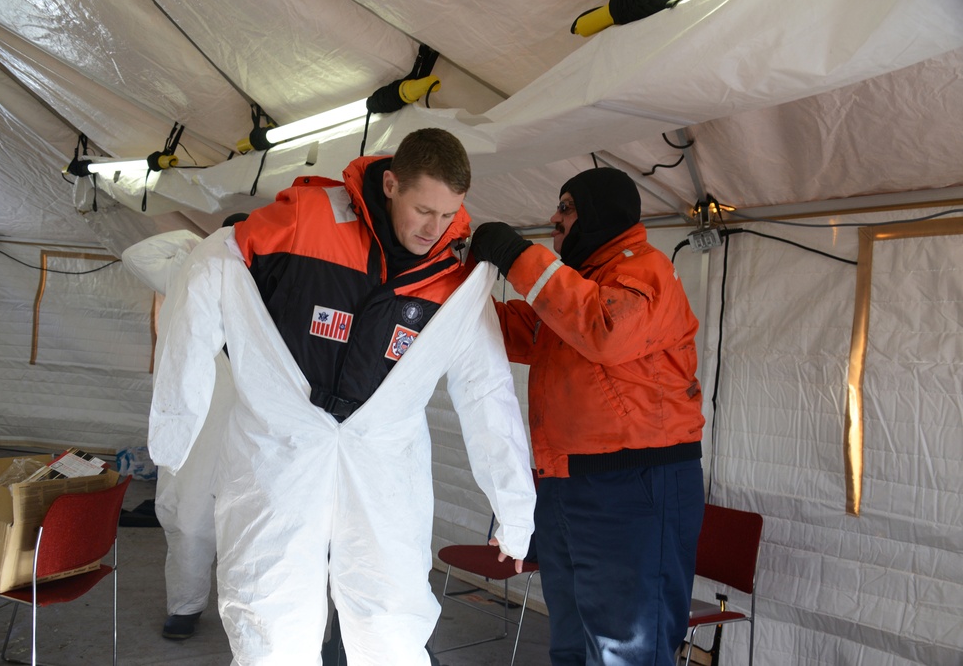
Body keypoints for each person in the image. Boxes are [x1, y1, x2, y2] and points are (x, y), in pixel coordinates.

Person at [147, 128, 536, 665]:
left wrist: (514, 508)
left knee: (390, 605)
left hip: (382, 456)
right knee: (268, 599)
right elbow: (211, 267)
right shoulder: (306, 221)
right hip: (283, 442)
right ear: (392, 183)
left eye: (449, 215)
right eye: (424, 210)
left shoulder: (456, 273)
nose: (435, 229)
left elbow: (487, 390)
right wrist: (175, 425)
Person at [470, 166, 706, 666]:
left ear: (601, 213)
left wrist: (517, 256)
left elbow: (607, 330)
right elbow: (519, 331)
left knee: (626, 650)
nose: (555, 219)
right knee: (573, 642)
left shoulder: (646, 271)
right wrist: (451, 297)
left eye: (567, 207)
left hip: (634, 486)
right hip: (567, 486)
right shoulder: (577, 287)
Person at [122, 224, 240, 640]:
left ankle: (245, 612)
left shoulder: (272, 285)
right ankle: (186, 608)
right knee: (189, 521)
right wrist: (198, 240)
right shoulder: (188, 272)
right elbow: (136, 256)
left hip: (250, 427)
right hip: (196, 426)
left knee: (248, 525)